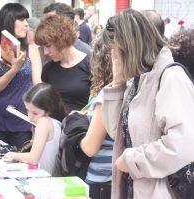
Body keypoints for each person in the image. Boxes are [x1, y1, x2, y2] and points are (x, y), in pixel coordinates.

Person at [101, 9, 194, 198]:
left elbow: (183, 145)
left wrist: (132, 160)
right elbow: (116, 133)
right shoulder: (137, 80)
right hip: (135, 188)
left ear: (130, 47)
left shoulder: (171, 78)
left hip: (161, 190)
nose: (114, 55)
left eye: (115, 48)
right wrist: (117, 83)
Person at [0, 3, 42, 148]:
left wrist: (41, 115)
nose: (26, 24)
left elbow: (38, 85)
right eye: (21, 20)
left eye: (26, 19)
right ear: (8, 21)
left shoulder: (31, 50)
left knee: (20, 167)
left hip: (24, 122)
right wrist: (14, 69)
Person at [4, 82, 67, 174]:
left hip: (42, 178)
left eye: (35, 113)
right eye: (27, 110)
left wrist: (11, 154)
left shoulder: (43, 122)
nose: (30, 117)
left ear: (49, 110)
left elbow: (33, 159)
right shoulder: (57, 122)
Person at [79, 32, 113, 199]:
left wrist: (77, 136)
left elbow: (90, 147)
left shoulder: (107, 96)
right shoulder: (130, 88)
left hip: (101, 180)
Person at [35, 14, 91, 113]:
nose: (45, 52)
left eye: (48, 46)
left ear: (61, 40)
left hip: (83, 125)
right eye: (43, 47)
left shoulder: (89, 63)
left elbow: (99, 103)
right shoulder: (49, 68)